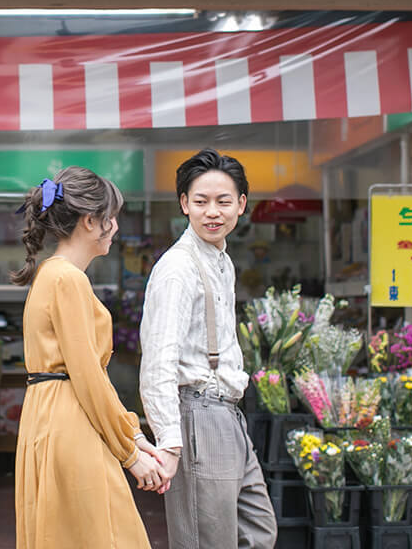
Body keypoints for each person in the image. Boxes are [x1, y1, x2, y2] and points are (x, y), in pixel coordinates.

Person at [12, 167, 166, 549]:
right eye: (110, 218)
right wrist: (130, 453)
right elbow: (89, 376)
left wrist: (132, 433)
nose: (114, 227)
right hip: (70, 421)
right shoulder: (68, 279)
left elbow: (86, 376)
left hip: (51, 415)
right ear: (90, 220)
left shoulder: (52, 275)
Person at [139, 149, 277, 549]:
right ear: (184, 204)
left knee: (258, 531)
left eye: (223, 201)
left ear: (241, 205)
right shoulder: (177, 269)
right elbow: (158, 361)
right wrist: (169, 441)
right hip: (198, 414)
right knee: (208, 541)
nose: (212, 212)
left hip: (228, 414)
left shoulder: (221, 261)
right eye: (200, 201)